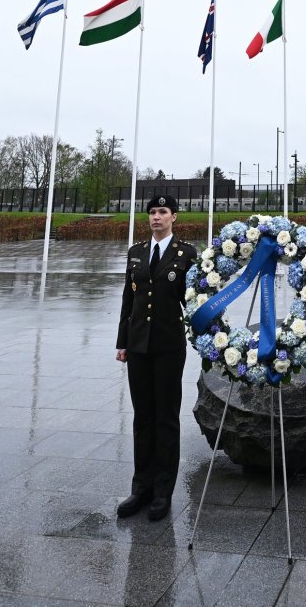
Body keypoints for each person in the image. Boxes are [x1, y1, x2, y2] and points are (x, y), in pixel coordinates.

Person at [115, 194, 197, 522]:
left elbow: (194, 299)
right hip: (138, 346)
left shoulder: (186, 253)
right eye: (152, 212)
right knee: (142, 417)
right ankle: (141, 488)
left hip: (167, 345)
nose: (156, 217)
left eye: (163, 212)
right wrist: (122, 342)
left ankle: (163, 492)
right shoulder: (136, 252)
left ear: (174, 216)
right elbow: (128, 300)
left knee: (165, 418)